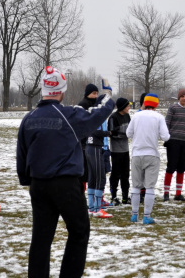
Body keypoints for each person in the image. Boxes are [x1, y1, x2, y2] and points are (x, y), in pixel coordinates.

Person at [16, 66, 114, 277]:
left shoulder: (29, 118)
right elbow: (99, 113)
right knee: (79, 232)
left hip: (38, 185)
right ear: (61, 92)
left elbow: (21, 154)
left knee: (41, 237)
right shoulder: (70, 115)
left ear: (43, 90)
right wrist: (108, 95)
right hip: (66, 185)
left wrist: (27, 179)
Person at [126, 93, 170, 224]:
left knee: (136, 186)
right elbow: (166, 137)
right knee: (149, 187)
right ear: (156, 104)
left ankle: (134, 215)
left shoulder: (136, 116)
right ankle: (146, 216)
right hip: (152, 154)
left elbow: (128, 133)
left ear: (145, 103)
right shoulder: (159, 117)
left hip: (136, 154)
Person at [163, 88, 185, 202]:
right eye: (182, 96)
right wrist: (166, 138)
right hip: (173, 141)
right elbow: (166, 123)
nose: (184, 98)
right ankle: (166, 193)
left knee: (182, 168)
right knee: (171, 167)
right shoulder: (173, 108)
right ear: (179, 97)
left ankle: (178, 193)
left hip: (184, 142)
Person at [86, 93, 115, 218]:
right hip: (95, 149)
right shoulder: (97, 114)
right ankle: (97, 208)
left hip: (92, 148)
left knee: (93, 178)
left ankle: (92, 207)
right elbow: (95, 131)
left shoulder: (95, 113)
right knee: (100, 178)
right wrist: (108, 133)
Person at [108, 97, 131, 205]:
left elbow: (131, 130)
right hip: (116, 151)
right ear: (122, 107)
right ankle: (114, 197)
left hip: (125, 150)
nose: (129, 108)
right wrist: (125, 133)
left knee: (125, 174)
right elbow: (113, 134)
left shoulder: (127, 116)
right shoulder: (113, 117)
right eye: (127, 106)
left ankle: (125, 197)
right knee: (115, 174)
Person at [77, 83, 100, 191]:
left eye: (97, 93)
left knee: (90, 173)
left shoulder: (94, 104)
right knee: (83, 174)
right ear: (87, 94)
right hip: (83, 144)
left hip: (92, 142)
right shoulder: (83, 105)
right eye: (93, 93)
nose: (96, 96)